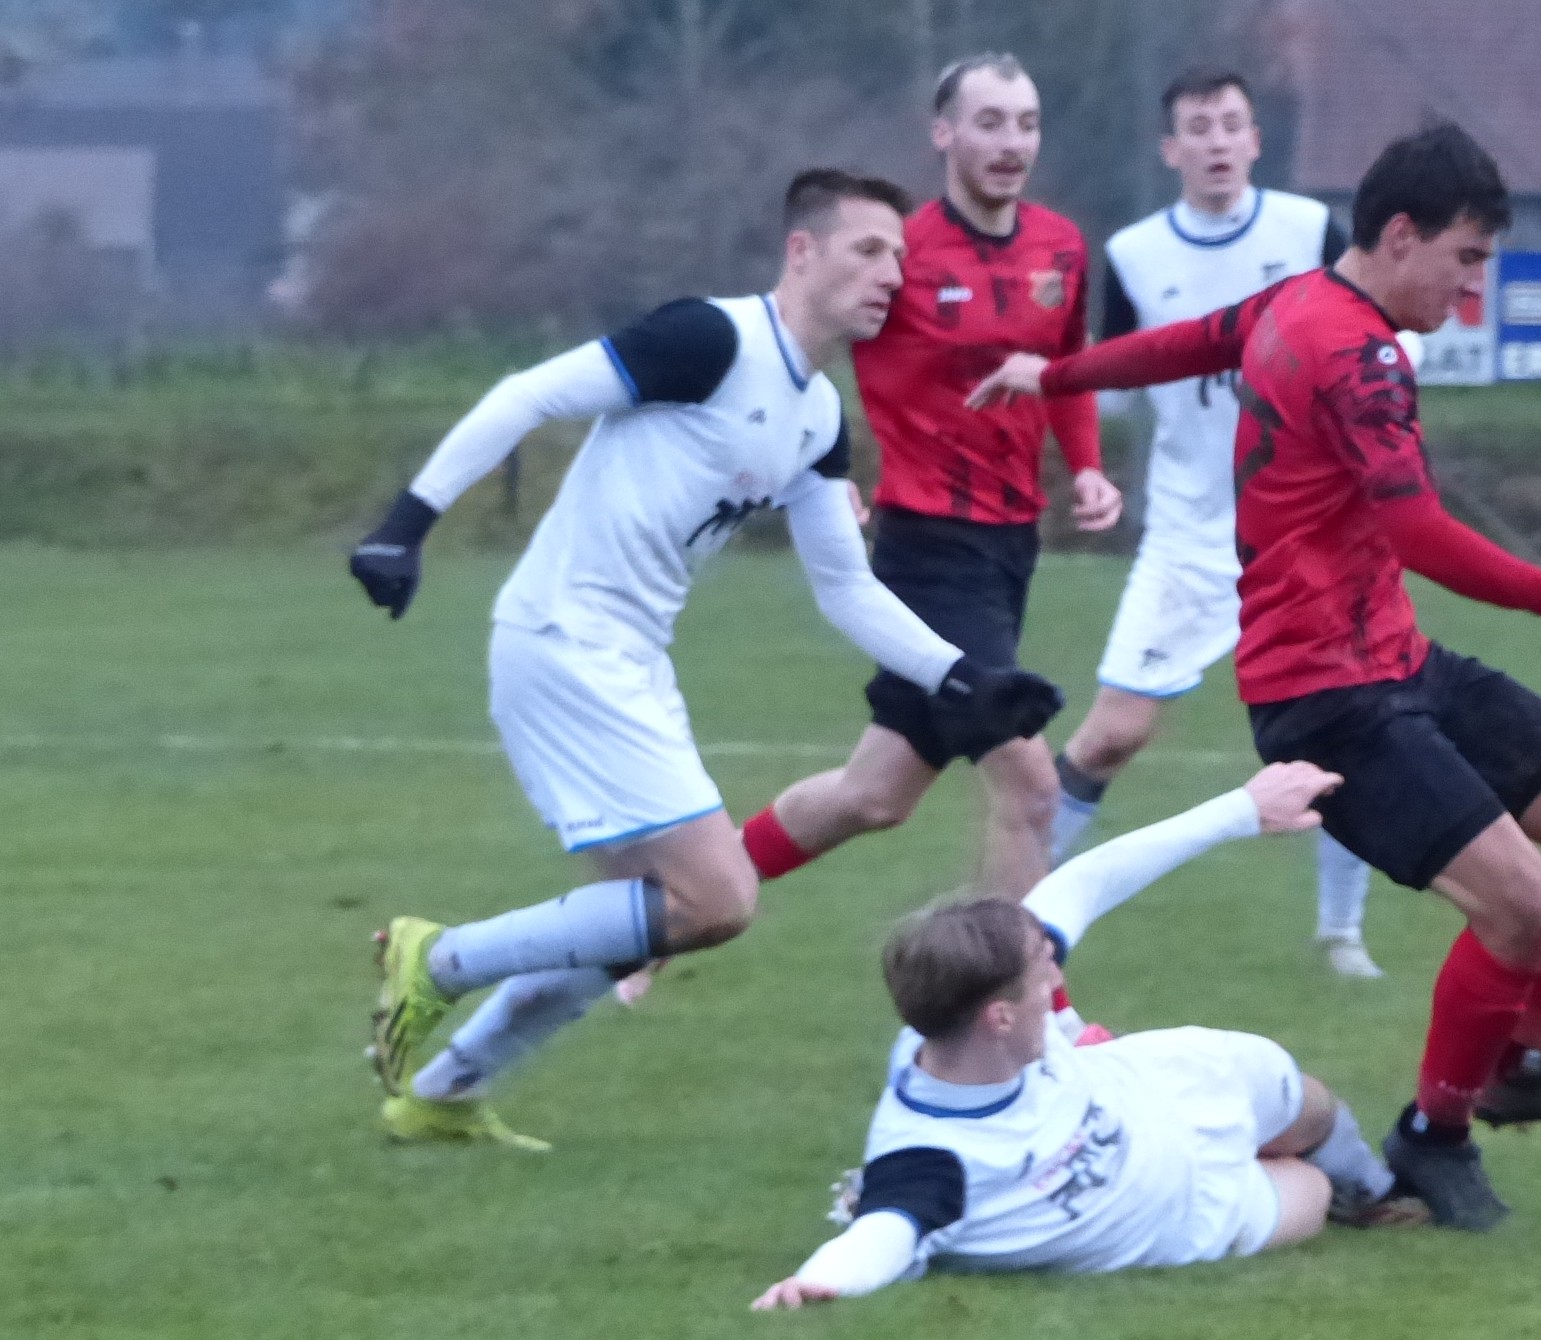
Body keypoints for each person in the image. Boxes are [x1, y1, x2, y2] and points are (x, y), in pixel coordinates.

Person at [965, 123, 1541, 1230]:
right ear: (1399, 235)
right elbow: (1420, 532)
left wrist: (1052, 373)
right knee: (1522, 905)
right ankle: (1434, 1133)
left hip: (1398, 658)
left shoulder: (1294, 302)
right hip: (1328, 700)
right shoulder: (1358, 354)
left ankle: (1524, 1065)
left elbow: (1183, 344)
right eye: (1466, 258)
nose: (1472, 286)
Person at [347, 169, 1062, 1148]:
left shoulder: (817, 416)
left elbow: (845, 586)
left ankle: (442, 1091)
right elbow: (528, 394)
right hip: (565, 639)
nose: (892, 274)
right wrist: (405, 524)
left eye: (899, 256)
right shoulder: (711, 340)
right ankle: (439, 959)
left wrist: (963, 679)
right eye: (867, 250)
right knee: (718, 898)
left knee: (632, 919)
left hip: (632, 657)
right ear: (801, 251)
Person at [749, 764, 1419, 1310]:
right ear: (998, 1017)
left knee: (1305, 1101)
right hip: (1192, 1213)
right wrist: (817, 1282)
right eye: (1041, 978)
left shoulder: (967, 1010)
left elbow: (1086, 882)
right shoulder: (929, 1161)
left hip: (1159, 1087)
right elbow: (881, 1235)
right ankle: (1350, 1194)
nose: (1055, 983)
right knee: (1311, 1193)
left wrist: (1243, 808)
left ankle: (1381, 1191)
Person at [739, 53, 1119, 902]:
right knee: (1033, 788)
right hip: (928, 552)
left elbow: (1066, 370)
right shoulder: (899, 250)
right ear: (943, 133)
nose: (1012, 142)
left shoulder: (1060, 245)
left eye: (1026, 124)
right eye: (990, 122)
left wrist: (1089, 468)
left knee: (873, 795)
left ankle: (674, 904)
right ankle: (1021, 983)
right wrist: (815, 467)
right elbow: (799, 346)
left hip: (1011, 549)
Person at [1041, 66, 1384, 981]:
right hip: (1190, 538)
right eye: (1199, 127)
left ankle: (1341, 934)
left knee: (1345, 732)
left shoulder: (1309, 232)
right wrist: (1087, 466)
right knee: (1111, 735)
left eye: (1232, 124)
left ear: (1256, 140)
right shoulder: (1134, 254)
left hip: (1307, 536)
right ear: (1172, 149)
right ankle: (1018, 921)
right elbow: (1109, 381)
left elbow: (1373, 341)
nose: (1218, 141)